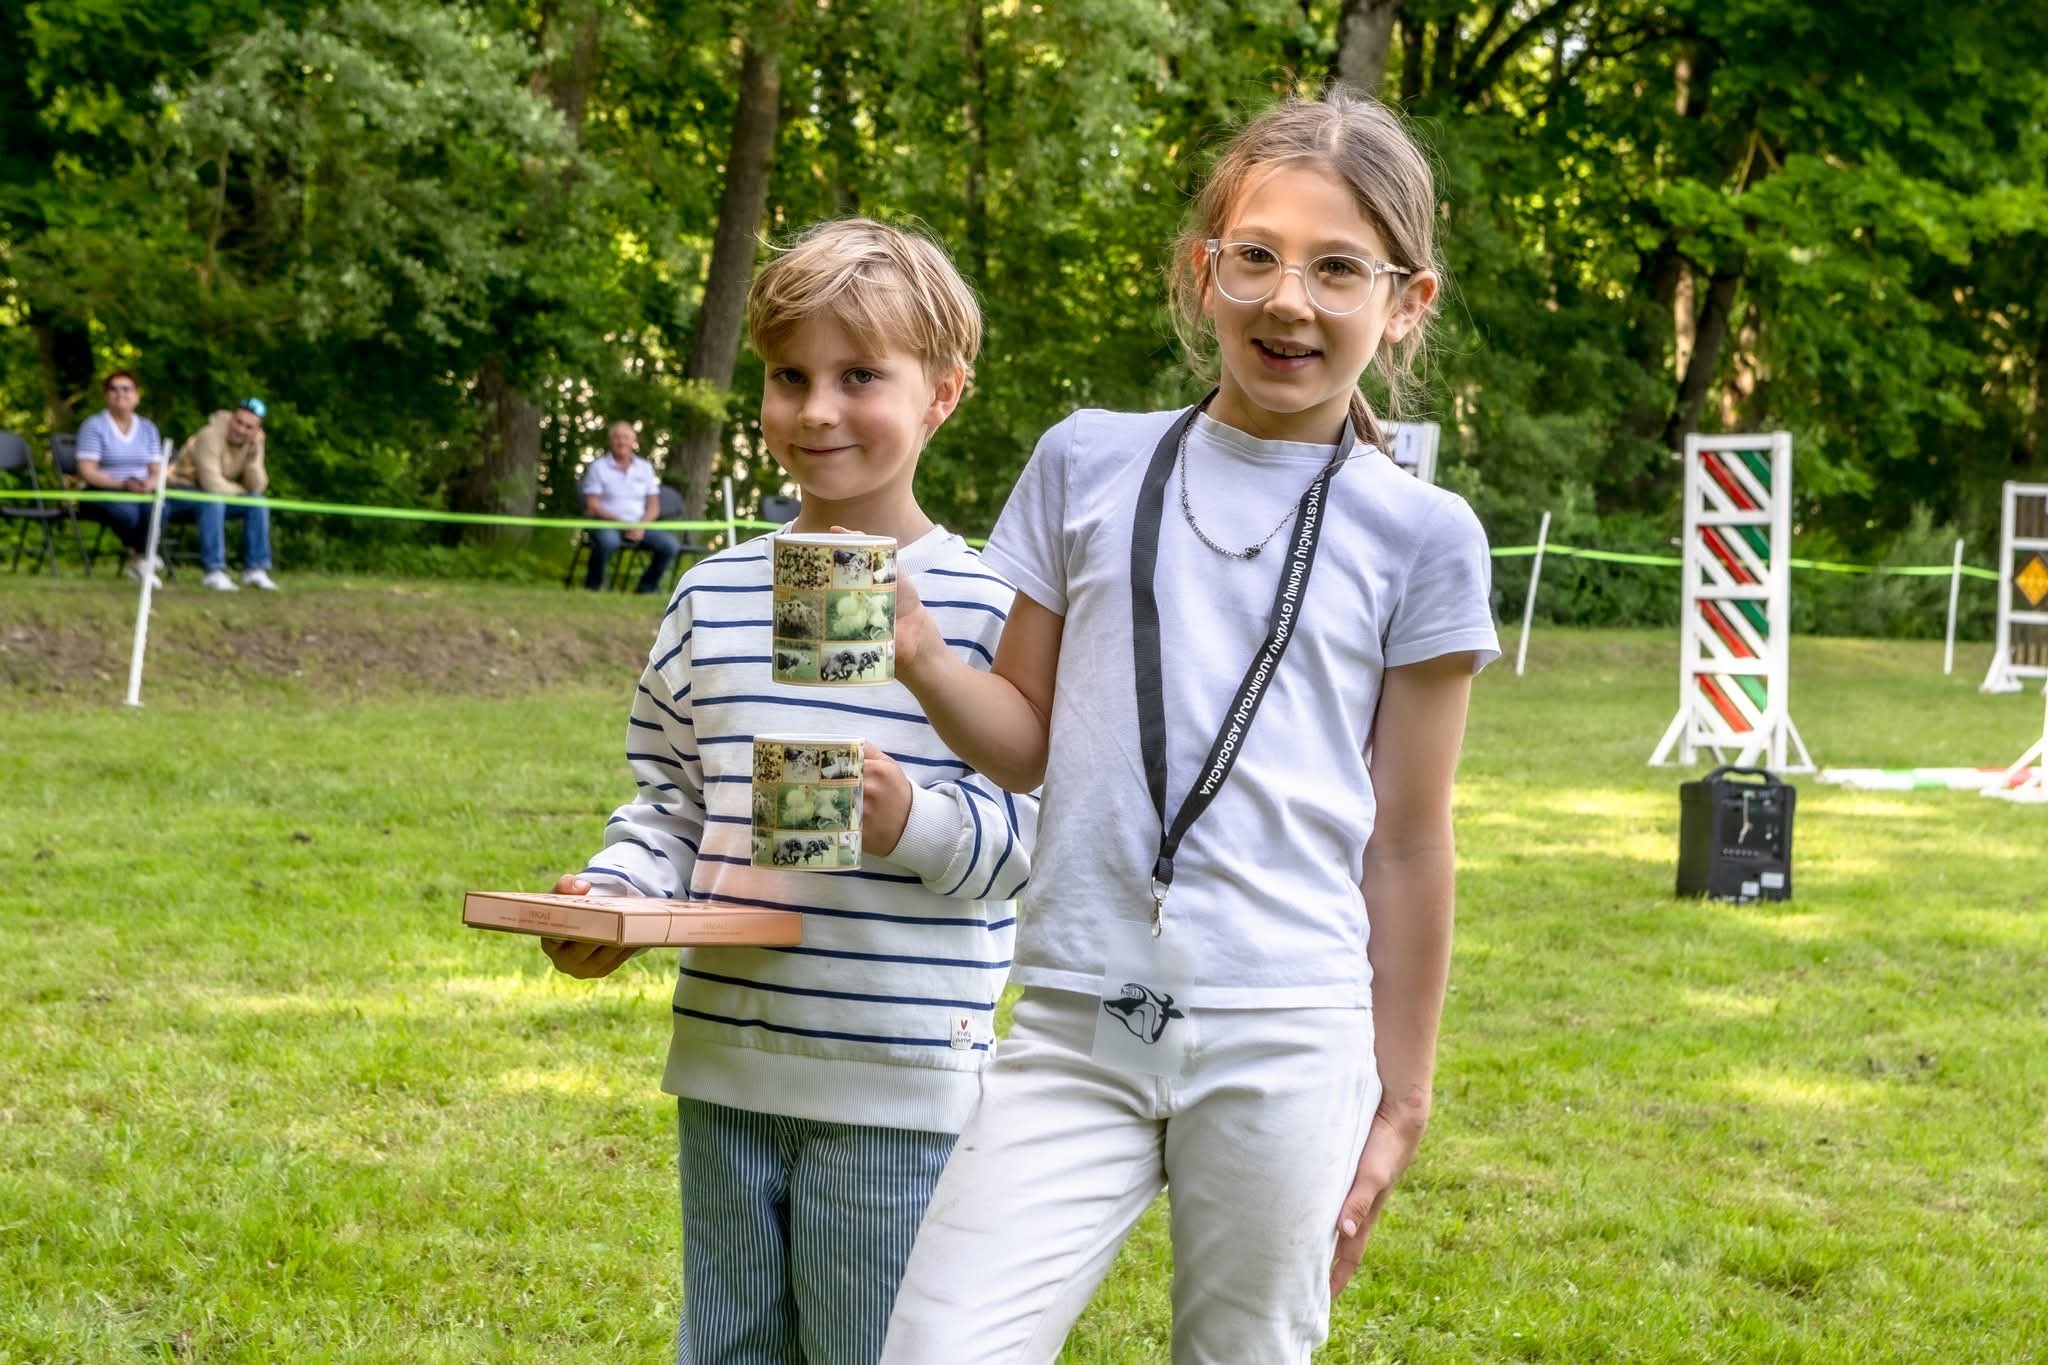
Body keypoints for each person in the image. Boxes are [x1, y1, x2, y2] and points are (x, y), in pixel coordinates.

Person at [879, 90, 1500, 1364]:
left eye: (1338, 269)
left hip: (1287, 1032)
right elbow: (1026, 739)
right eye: (1257, 255)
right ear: (1202, 270)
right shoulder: (1085, 461)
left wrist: (1402, 1097)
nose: (1289, 301)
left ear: (1406, 302)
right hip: (1077, 1015)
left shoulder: (1423, 534)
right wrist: (926, 660)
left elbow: (1407, 842)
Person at [541, 219, 1036, 1364]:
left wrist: (911, 822)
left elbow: (1036, 837)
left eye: (859, 376)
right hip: (729, 1061)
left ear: (942, 394)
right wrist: (612, 897)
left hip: (895, 1075)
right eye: (788, 377)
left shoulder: (988, 607)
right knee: (727, 1346)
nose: (816, 411)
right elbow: (675, 800)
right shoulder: (713, 595)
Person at [166, 398, 279, 591]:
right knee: (213, 500)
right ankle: (214, 571)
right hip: (179, 492)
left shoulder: (254, 443)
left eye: (249, 427)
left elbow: (257, 487)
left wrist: (253, 459)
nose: (241, 430)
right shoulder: (209, 435)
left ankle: (256, 570)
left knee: (257, 502)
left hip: (216, 497)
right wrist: (241, 490)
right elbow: (211, 483)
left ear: (256, 431)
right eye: (238, 422)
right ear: (231, 419)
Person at [73, 369, 167, 585]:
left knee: (160, 507)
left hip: (141, 491)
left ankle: (141, 559)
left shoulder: (148, 428)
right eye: (113, 389)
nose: (120, 394)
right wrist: (123, 485)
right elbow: (87, 471)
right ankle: (143, 557)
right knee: (127, 513)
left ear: (137, 395)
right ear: (106, 396)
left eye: (126, 389)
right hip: (103, 490)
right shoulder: (93, 426)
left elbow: (157, 468)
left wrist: (149, 484)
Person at [579, 420, 681, 593]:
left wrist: (640, 526)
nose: (621, 442)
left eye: (626, 437)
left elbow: (654, 506)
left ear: (633, 442)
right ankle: (593, 587)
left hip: (639, 524)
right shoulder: (598, 467)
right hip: (606, 524)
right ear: (610, 441)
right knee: (608, 542)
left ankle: (646, 589)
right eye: (617, 437)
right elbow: (593, 505)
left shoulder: (645, 468)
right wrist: (623, 524)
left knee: (670, 546)